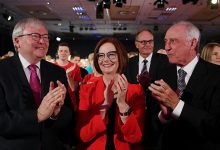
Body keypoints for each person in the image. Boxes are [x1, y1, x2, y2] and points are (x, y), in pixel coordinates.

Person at [0, 17, 75, 150]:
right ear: (17, 41)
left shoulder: (57, 72)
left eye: (46, 37)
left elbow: (68, 113)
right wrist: (37, 115)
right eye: (35, 36)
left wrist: (55, 114)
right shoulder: (3, 71)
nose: (42, 41)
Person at [149, 21, 220, 150]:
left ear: (193, 43)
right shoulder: (161, 73)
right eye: (165, 41)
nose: (167, 47)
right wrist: (163, 116)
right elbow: (151, 123)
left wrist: (177, 106)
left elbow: (216, 127)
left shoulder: (216, 75)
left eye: (173, 41)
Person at [77, 37, 145, 150]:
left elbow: (135, 137)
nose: (105, 59)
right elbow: (83, 136)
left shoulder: (136, 91)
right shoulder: (87, 90)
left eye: (111, 54)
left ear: (121, 57)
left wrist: (122, 104)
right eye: (101, 55)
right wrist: (104, 107)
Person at [125, 27, 169, 149]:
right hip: (134, 115)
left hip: (156, 116)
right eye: (143, 42)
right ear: (136, 44)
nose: (147, 44)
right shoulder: (128, 63)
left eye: (150, 41)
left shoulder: (165, 61)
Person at [54, 42, 82, 111]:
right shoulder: (52, 66)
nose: (63, 53)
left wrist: (68, 76)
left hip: (71, 101)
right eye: (61, 51)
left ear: (69, 53)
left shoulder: (75, 67)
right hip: (56, 101)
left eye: (66, 51)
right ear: (58, 52)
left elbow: (74, 88)